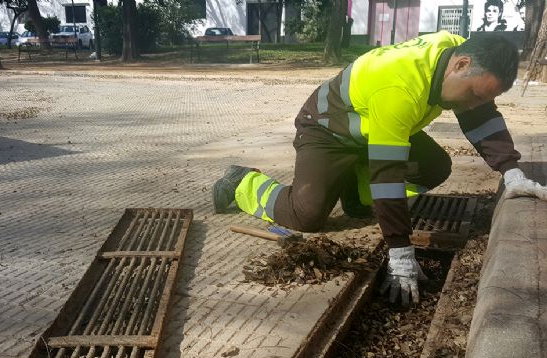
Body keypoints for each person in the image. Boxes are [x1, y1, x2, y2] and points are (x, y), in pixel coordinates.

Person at [212, 31, 547, 306]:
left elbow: (482, 118)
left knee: (434, 167)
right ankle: (242, 182)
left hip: (373, 126)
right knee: (307, 215)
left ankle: (355, 196)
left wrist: (511, 172)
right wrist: (400, 253)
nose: (472, 106)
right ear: (460, 65)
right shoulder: (399, 87)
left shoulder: (455, 53)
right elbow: (387, 175)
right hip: (328, 129)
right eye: (473, 94)